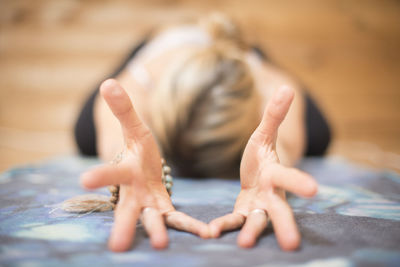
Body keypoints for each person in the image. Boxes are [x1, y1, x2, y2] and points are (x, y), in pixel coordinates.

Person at [74, 13, 331, 252]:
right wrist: (126, 156)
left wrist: (276, 158)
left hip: (242, 73)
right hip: (160, 58)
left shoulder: (262, 79)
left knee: (317, 136)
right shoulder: (142, 78)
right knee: (86, 136)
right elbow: (119, 135)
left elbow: (282, 127)